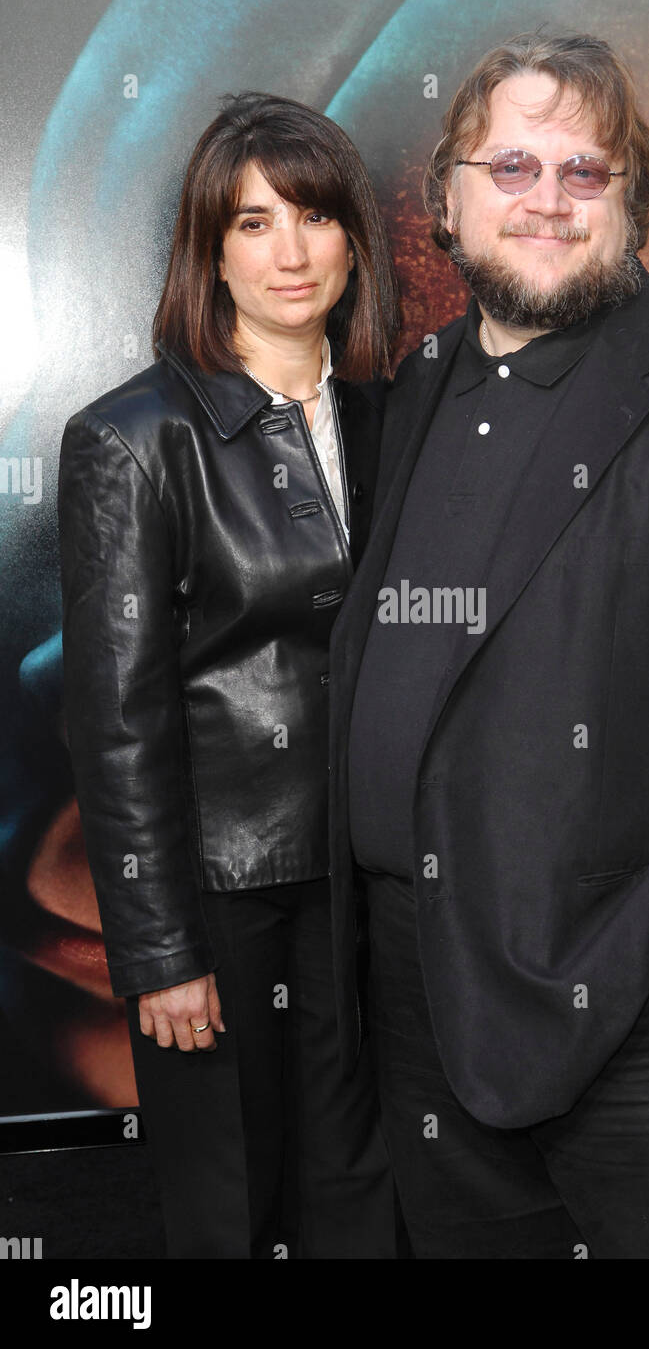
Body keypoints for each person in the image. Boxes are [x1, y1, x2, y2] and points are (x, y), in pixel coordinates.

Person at [328, 32, 649, 1258]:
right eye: (511, 165)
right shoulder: (411, 389)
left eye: (587, 171)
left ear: (637, 202)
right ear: (447, 201)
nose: (547, 200)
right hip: (422, 1007)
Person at [57, 92, 400, 1258]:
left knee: (362, 1192)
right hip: (221, 896)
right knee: (230, 1204)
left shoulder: (391, 418)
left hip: (370, 887)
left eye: (311, 216)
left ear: (355, 238)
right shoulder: (136, 436)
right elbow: (117, 720)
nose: (289, 251)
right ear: (209, 251)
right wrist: (159, 953)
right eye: (252, 223)